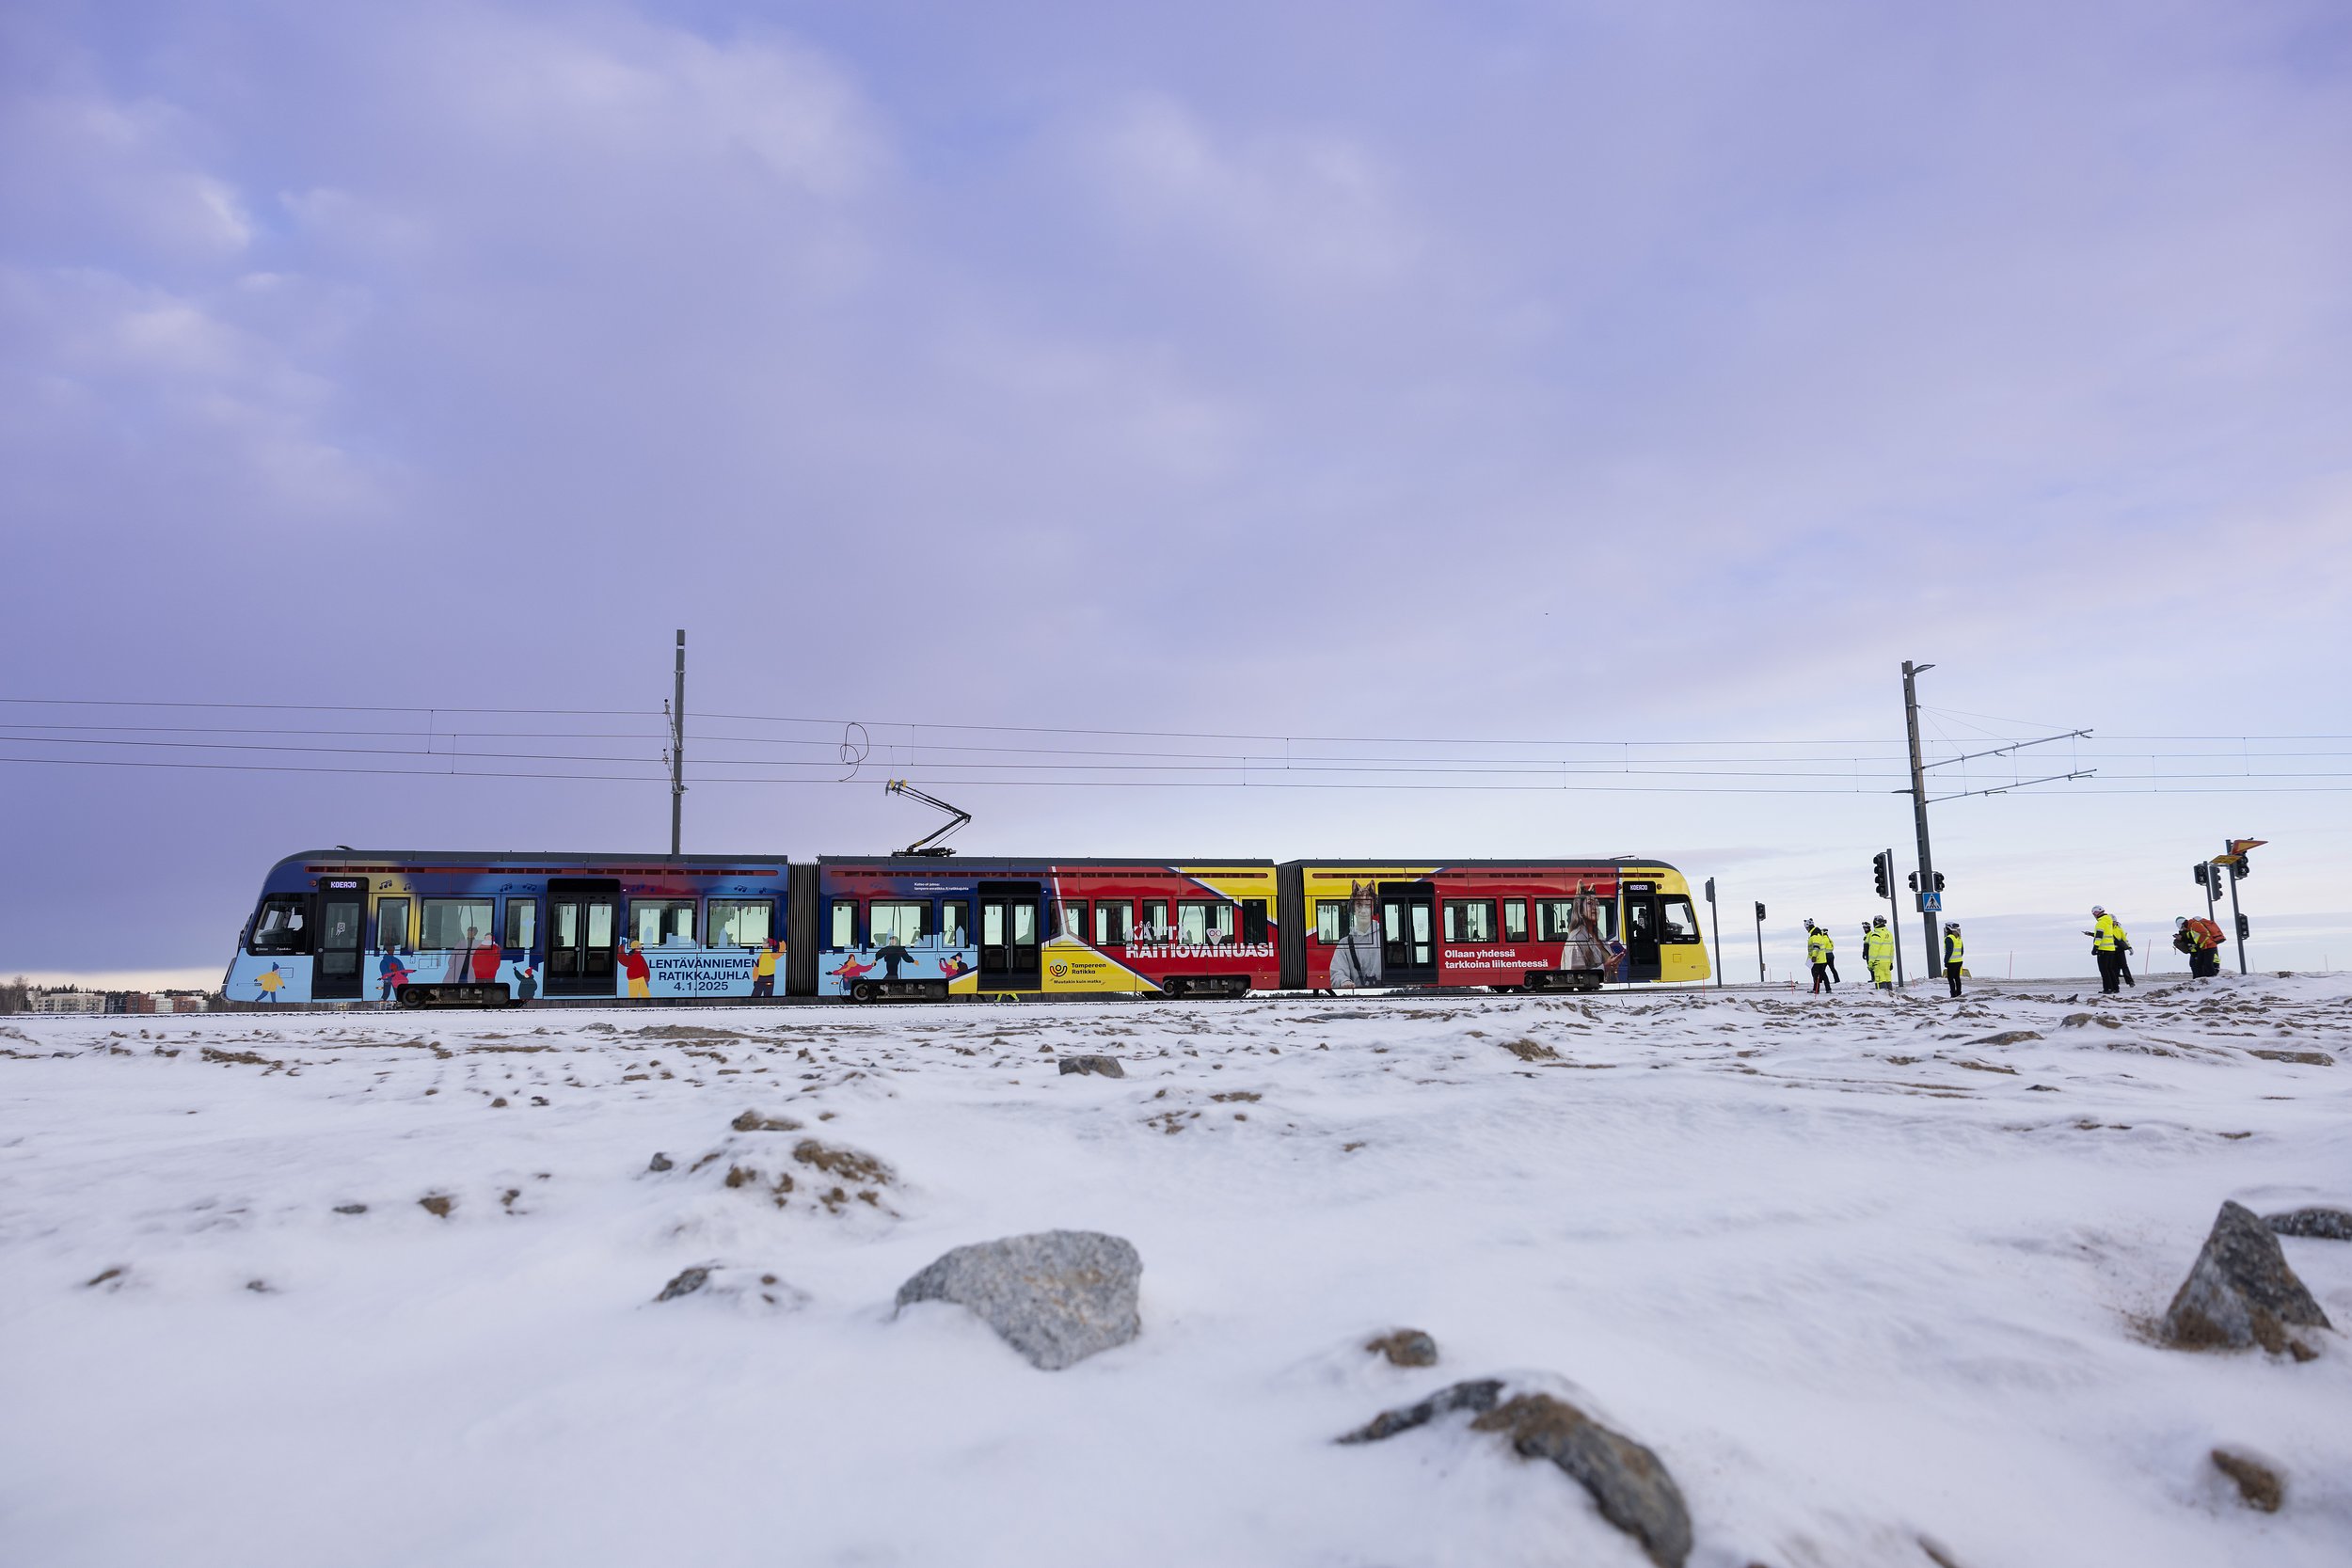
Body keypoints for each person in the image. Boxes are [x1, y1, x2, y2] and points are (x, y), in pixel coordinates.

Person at [2085, 907, 2130, 995]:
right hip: (2111, 949)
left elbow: (2099, 936)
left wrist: (2095, 947)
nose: (2094, 916)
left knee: (2104, 970)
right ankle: (2115, 988)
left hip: (2103, 950)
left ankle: (2108, 989)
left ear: (2096, 913)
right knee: (2110, 969)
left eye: (2094, 914)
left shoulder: (2101, 923)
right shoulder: (2109, 922)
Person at [1863, 915, 1895, 991]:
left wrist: (1870, 963)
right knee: (1887, 979)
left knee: (1880, 980)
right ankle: (1891, 996)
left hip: (1878, 963)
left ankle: (1884, 998)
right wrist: (1891, 962)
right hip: (1887, 963)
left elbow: (1874, 951)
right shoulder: (1889, 934)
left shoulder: (1876, 934)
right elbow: (1892, 950)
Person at [1804, 920, 1835, 993]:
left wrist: (1814, 956)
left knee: (1816, 974)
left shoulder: (1815, 935)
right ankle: (1827, 989)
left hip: (1817, 959)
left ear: (1808, 927)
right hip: (1820, 958)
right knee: (1822, 974)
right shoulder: (1816, 933)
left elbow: (1816, 946)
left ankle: (1816, 989)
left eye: (1806, 927)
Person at [1942, 922, 1964, 998]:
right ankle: (1959, 993)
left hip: (1952, 962)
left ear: (1948, 929)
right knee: (1957, 978)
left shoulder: (1949, 938)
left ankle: (1953, 994)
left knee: (1950, 979)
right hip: (1959, 961)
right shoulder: (1958, 938)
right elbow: (1962, 951)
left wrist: (1946, 961)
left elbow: (1949, 951)